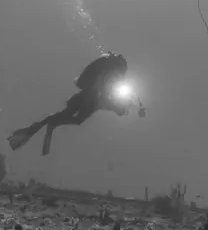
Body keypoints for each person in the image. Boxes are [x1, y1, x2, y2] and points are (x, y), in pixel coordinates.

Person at [8, 52, 140, 156]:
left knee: (73, 118)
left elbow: (107, 97)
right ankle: (49, 123)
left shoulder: (109, 74)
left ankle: (47, 124)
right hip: (89, 99)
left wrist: (124, 105)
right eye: (123, 70)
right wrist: (120, 107)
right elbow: (105, 96)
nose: (123, 73)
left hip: (88, 99)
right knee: (74, 118)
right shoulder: (108, 74)